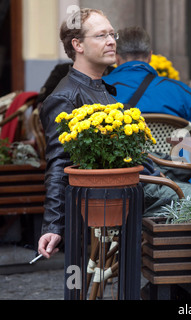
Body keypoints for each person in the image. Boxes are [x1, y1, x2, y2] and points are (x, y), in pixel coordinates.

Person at [37, 8, 128, 258]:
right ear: (77, 44)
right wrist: (53, 225)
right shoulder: (64, 98)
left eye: (112, 34)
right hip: (110, 199)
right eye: (101, 35)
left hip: (127, 190)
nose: (111, 41)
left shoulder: (99, 86)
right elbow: (59, 163)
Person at [102, 26, 191, 122]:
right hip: (164, 137)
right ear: (150, 56)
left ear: (116, 57)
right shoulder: (181, 92)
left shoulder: (98, 88)